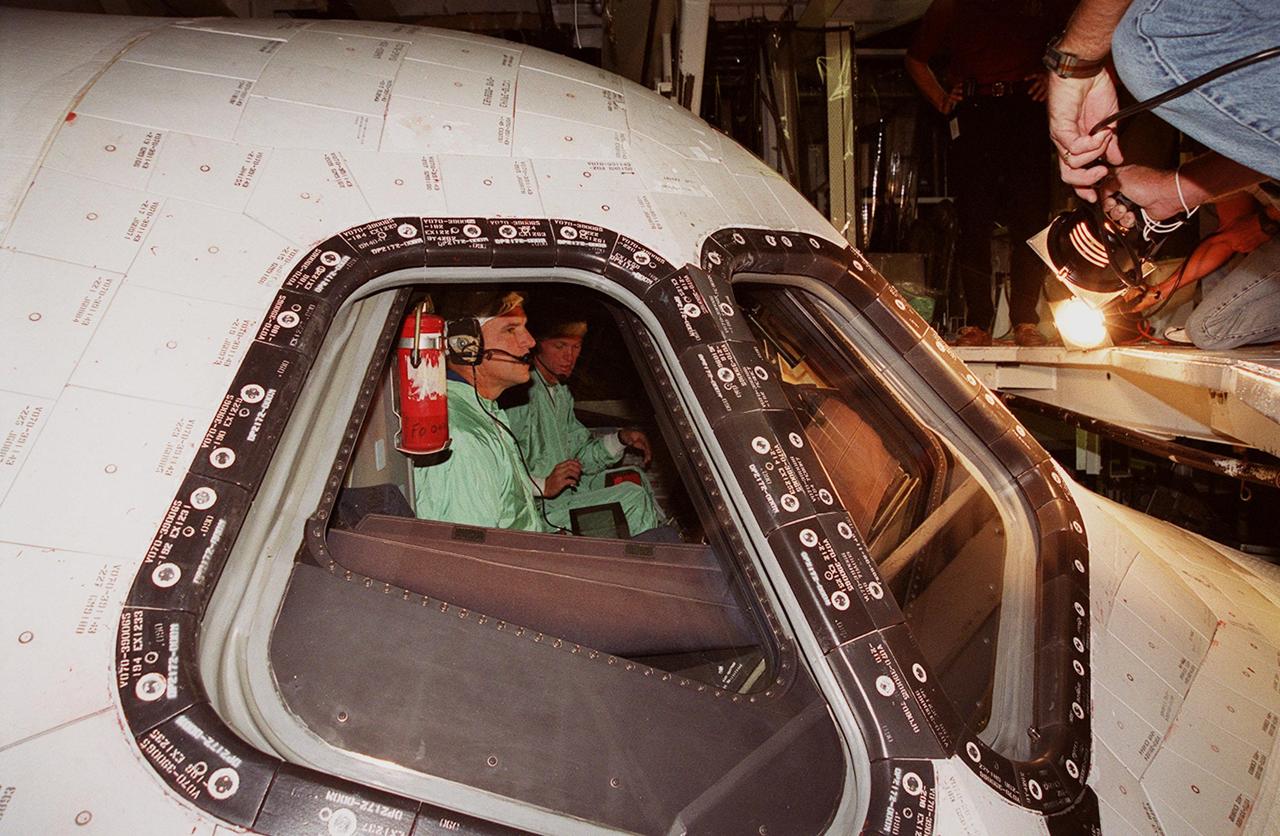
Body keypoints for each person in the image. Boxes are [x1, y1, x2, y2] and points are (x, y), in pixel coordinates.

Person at [1047, 0, 1280, 348]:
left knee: (1146, 38)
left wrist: (1075, 62)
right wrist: (1171, 190)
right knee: (1208, 329)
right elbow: (1229, 234)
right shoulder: (1237, 132)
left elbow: (1244, 234)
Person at [906, 0, 1071, 347]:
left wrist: (1051, 77)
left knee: (1031, 217)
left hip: (1025, 106)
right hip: (975, 108)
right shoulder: (951, 5)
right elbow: (915, 58)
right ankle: (977, 322)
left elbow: (1080, 38)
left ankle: (1025, 320)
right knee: (973, 218)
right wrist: (940, 98)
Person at [505, 310, 664, 537]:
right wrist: (543, 483)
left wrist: (620, 440)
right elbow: (499, 470)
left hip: (562, 498)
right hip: (537, 512)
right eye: (560, 346)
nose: (569, 356)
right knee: (632, 496)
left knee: (636, 478)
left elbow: (582, 458)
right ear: (536, 345)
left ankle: (661, 538)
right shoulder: (521, 397)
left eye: (576, 347)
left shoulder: (560, 394)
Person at [412, 290, 549, 532]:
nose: (530, 341)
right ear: (464, 345)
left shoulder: (484, 411)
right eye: (510, 329)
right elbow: (470, 559)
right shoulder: (463, 438)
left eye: (524, 328)